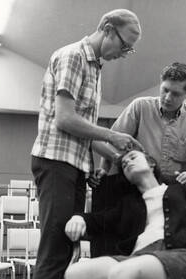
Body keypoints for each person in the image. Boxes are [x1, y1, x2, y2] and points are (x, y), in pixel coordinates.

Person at [30, 9, 143, 279]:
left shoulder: (94, 68)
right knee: (56, 249)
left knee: (68, 247)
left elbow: (83, 133)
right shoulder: (74, 56)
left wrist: (117, 158)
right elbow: (65, 119)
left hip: (73, 164)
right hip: (56, 162)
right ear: (106, 28)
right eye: (124, 45)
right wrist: (112, 136)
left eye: (129, 50)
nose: (124, 53)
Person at [64, 150, 186, 279]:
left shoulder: (180, 191)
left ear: (150, 164)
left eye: (133, 157)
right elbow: (99, 220)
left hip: (181, 254)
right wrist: (78, 217)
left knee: (123, 272)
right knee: (75, 273)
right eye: (124, 164)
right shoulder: (127, 204)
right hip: (137, 256)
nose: (127, 162)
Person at [92, 62, 186, 187]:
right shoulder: (140, 107)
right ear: (160, 84)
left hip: (174, 189)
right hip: (134, 188)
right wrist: (104, 169)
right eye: (165, 90)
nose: (168, 98)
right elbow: (113, 144)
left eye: (175, 94)